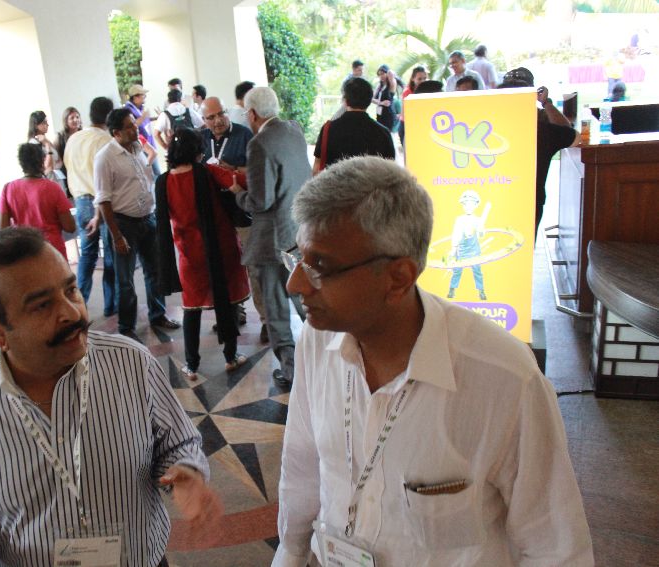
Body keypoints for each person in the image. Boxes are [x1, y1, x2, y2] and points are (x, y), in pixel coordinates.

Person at [272, 156, 593, 566]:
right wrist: (290, 553)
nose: (295, 283)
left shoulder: (504, 377)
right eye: (298, 259)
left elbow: (555, 547)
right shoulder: (318, 341)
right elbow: (302, 465)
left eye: (320, 267)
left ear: (398, 278)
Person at [0, 226, 221, 567]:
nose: (71, 313)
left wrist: (185, 471)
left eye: (71, 290)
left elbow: (178, 441)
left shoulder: (131, 363)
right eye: (42, 305)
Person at [228, 86, 309, 388]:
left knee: (275, 308)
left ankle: (290, 370)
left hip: (270, 239)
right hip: (297, 230)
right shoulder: (294, 130)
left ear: (251, 114)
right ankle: (330, 357)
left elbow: (260, 201)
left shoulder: (259, 143)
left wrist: (238, 193)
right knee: (306, 300)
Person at [155, 128, 250, 379]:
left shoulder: (163, 182)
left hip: (189, 254)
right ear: (198, 151)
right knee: (228, 300)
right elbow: (241, 181)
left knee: (192, 308)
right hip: (221, 248)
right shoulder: (208, 172)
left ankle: (191, 364)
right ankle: (231, 356)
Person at [94, 108, 181, 341]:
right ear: (116, 133)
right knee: (125, 280)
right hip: (124, 224)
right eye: (130, 126)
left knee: (154, 271)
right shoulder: (105, 158)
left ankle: (158, 315)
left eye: (134, 123)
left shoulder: (136, 147)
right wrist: (116, 235)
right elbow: (103, 200)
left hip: (147, 219)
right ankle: (126, 326)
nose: (136, 128)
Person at [199, 96, 267, 338]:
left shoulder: (244, 135)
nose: (218, 120)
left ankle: (267, 320)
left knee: (254, 267)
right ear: (204, 120)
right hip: (216, 213)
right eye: (211, 117)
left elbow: (258, 171)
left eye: (221, 114)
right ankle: (233, 312)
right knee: (224, 265)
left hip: (242, 211)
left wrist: (234, 170)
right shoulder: (201, 139)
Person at [500, 67, 578, 240]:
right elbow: (570, 134)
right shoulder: (542, 129)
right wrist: (546, 103)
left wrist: (546, 104)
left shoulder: (542, 126)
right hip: (526, 201)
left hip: (517, 200)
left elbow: (568, 133)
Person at [63, 96, 117, 314]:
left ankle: (80, 303)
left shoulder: (74, 139)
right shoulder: (105, 140)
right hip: (100, 203)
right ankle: (111, 305)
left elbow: (68, 167)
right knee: (111, 256)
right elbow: (106, 179)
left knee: (87, 256)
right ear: (109, 116)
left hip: (80, 202)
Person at [0, 143, 76, 259]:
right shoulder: (53, 188)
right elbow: (70, 227)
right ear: (42, 160)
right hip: (52, 251)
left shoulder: (8, 189)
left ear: (21, 163)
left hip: (23, 252)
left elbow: (2, 230)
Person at [313, 77, 395, 174]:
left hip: (336, 183)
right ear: (369, 101)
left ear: (345, 101)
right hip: (372, 184)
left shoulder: (328, 129)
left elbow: (317, 168)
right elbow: (391, 171)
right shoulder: (383, 133)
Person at [447, 190, 490, 300]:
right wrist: (453, 250)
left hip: (474, 251)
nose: (468, 206)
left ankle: (481, 291)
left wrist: (481, 230)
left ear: (475, 205)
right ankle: (452, 289)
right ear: (463, 205)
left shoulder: (477, 220)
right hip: (461, 251)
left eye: (471, 204)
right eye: (466, 204)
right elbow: (456, 234)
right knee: (457, 271)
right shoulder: (459, 220)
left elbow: (481, 235)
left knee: (477, 271)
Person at [124, 84, 161, 176]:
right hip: (142, 145)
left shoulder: (140, 107)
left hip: (149, 142)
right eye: (143, 95)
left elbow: (144, 120)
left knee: (155, 172)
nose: (145, 98)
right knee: (154, 173)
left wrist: (156, 118)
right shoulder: (128, 109)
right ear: (135, 97)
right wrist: (144, 116)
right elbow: (132, 125)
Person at [27, 110, 67, 192]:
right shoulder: (34, 143)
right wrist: (47, 145)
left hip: (57, 178)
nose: (47, 125)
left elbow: (59, 161)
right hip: (48, 181)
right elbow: (46, 166)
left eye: (47, 122)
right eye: (44, 122)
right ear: (36, 125)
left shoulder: (46, 140)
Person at [54, 106, 82, 198]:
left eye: (77, 117)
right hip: (68, 174)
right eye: (72, 118)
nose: (76, 120)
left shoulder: (83, 134)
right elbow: (57, 156)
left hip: (83, 173)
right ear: (66, 121)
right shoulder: (60, 137)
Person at [398, 66, 427, 147]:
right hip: (406, 125)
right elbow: (406, 113)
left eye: (424, 78)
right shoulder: (407, 92)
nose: (422, 81)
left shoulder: (427, 91)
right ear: (413, 79)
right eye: (419, 79)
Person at [374, 64, 398, 132]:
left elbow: (391, 73)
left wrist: (389, 72)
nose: (381, 76)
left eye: (382, 74)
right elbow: (371, 99)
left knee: (387, 133)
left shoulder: (392, 83)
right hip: (379, 113)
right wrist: (381, 103)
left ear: (387, 73)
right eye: (379, 74)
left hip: (389, 114)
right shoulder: (379, 85)